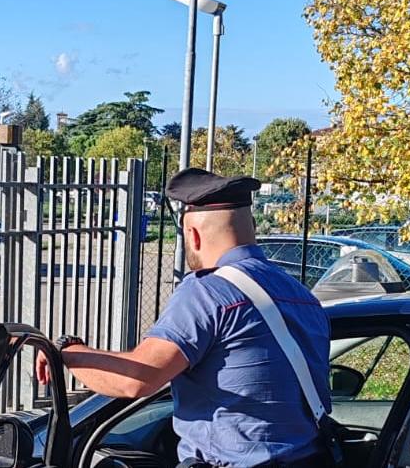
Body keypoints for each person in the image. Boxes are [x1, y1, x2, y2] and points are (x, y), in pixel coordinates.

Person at [36, 167, 332, 467]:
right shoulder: (302, 296)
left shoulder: (209, 291)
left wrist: (66, 350)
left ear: (193, 235)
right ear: (252, 226)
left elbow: (136, 379)